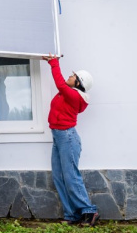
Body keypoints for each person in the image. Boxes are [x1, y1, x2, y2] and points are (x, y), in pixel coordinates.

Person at [41, 53, 99, 227]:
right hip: (58, 137)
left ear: (78, 83)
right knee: (59, 177)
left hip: (67, 137)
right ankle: (72, 214)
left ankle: (89, 211)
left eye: (73, 76)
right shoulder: (68, 94)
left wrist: (54, 63)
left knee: (71, 176)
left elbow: (59, 83)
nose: (69, 76)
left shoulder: (74, 96)